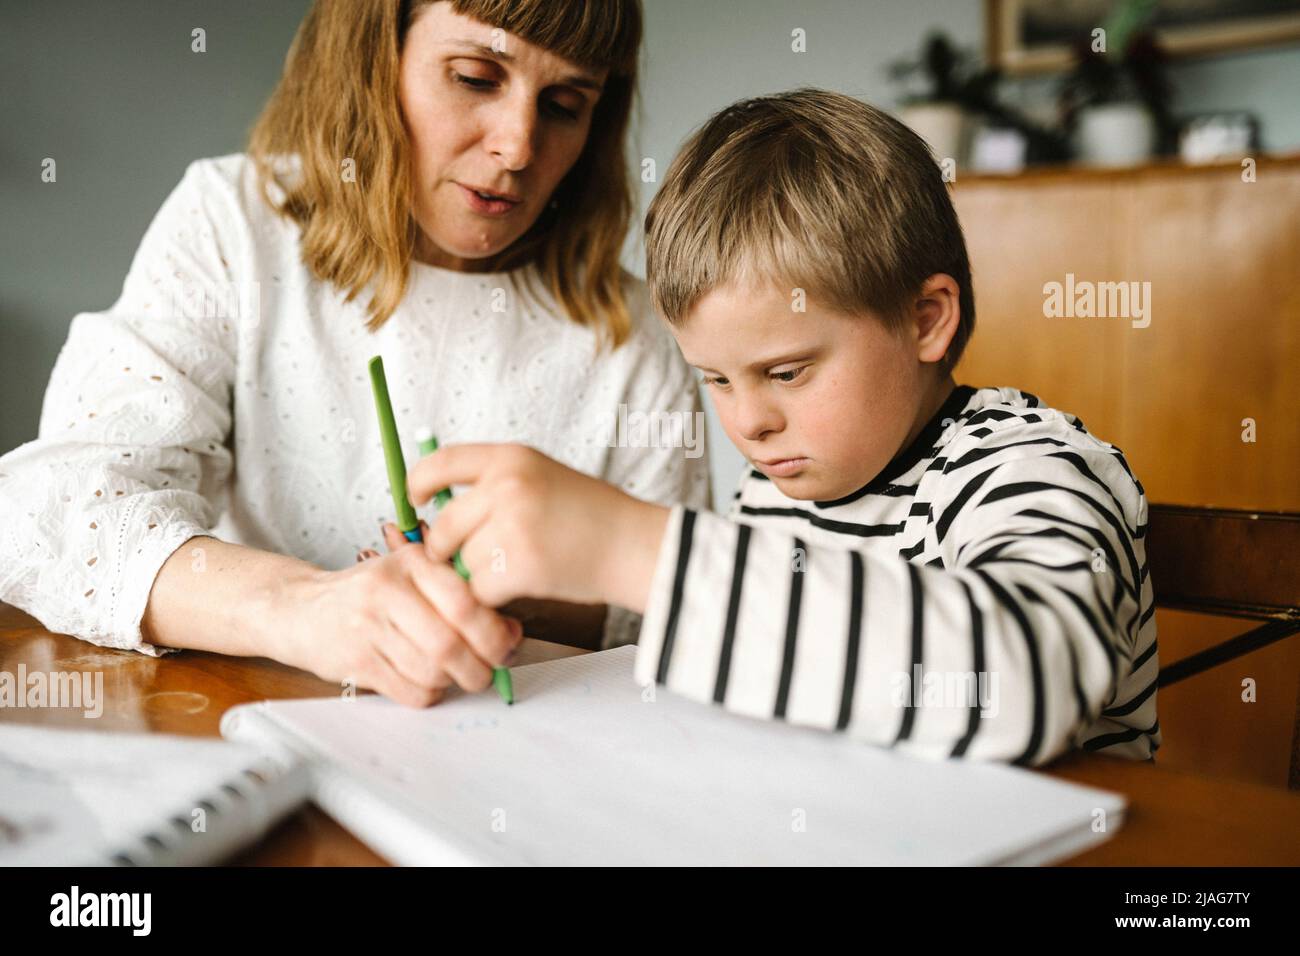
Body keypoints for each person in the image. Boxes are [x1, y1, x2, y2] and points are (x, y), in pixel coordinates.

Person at [405, 89, 1160, 765]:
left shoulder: (1031, 467)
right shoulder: (774, 499)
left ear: (925, 319)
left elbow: (1035, 682)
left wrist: (630, 547)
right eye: (716, 380)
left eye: (788, 372)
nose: (749, 423)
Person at [0, 0, 709, 707]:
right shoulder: (236, 225)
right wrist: (305, 606)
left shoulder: (637, 329)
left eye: (563, 104)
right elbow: (53, 515)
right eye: (474, 76)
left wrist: (518, 589)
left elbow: (694, 612)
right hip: (252, 720)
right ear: (374, 59)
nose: (517, 146)